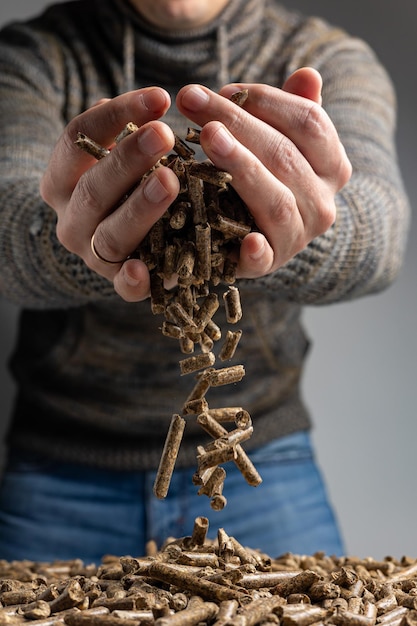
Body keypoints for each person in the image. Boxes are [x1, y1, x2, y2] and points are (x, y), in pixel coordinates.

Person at [0, 0, 410, 564]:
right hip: (61, 469)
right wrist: (92, 241)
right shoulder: (32, 59)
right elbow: (6, 225)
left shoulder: (323, 57)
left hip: (257, 448)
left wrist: (282, 233)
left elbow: (379, 232)